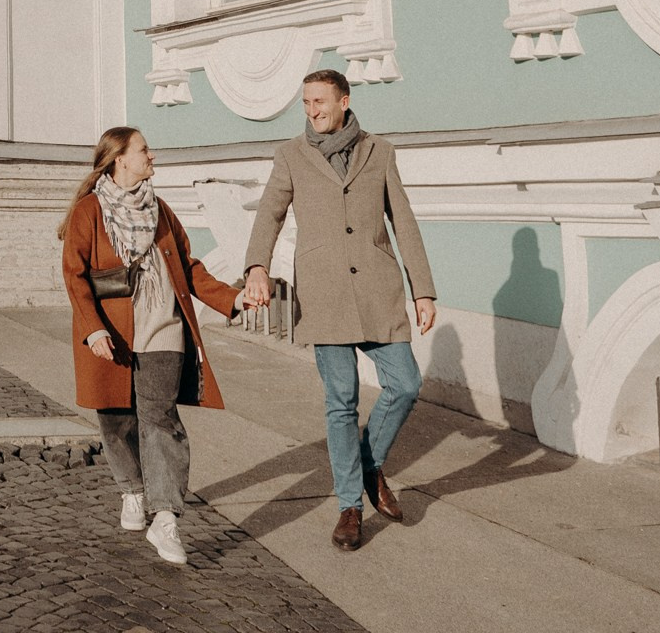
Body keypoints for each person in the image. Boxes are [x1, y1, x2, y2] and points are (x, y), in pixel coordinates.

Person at [240, 68, 436, 552]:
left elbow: (404, 222)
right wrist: (256, 267)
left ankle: (369, 467)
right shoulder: (290, 155)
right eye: (306, 103)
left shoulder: (380, 151)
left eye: (320, 102)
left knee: (406, 383)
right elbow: (270, 213)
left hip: (377, 289)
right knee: (341, 402)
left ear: (344, 101)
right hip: (324, 293)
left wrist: (423, 290)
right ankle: (350, 505)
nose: (312, 111)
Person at [60, 126, 246, 567]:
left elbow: (188, 266)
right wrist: (94, 329)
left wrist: (231, 299)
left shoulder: (160, 210)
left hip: (163, 328)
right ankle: (132, 490)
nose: (152, 156)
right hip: (112, 332)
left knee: (160, 419)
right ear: (120, 158)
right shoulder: (89, 212)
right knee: (116, 419)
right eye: (144, 150)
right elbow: (75, 275)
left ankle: (165, 519)